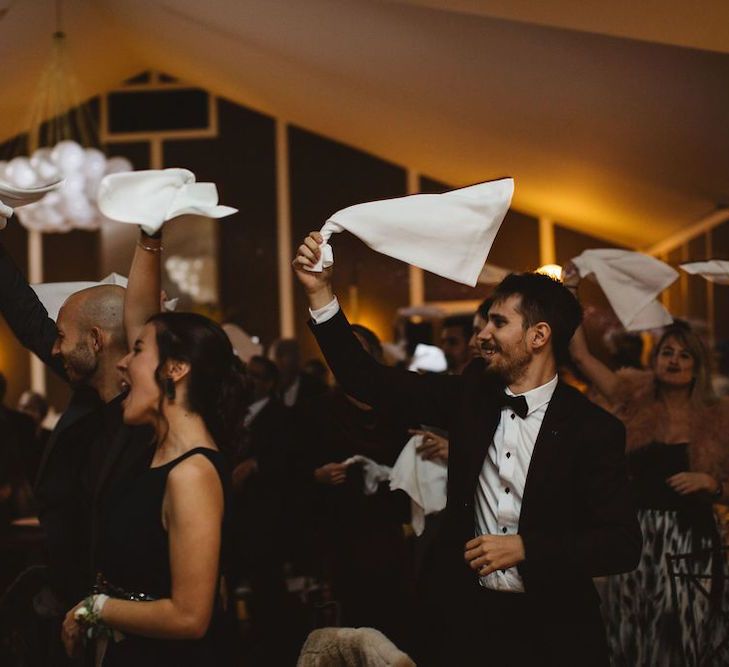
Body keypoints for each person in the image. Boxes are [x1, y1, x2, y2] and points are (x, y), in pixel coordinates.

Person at [293, 231, 641, 665]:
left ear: (538, 336)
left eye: (498, 323)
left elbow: (621, 544)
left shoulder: (594, 429)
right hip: (468, 625)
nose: (482, 336)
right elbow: (370, 381)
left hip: (555, 630)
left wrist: (526, 547)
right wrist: (321, 294)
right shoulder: (470, 395)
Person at [61, 233, 243, 665]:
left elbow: (190, 616)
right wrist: (149, 237)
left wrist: (95, 609)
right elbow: (141, 318)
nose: (123, 361)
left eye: (137, 351)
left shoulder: (192, 474)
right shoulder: (155, 447)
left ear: (175, 370)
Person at [566, 264, 729, 665]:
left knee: (686, 632)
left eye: (684, 355)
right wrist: (570, 290)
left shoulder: (718, 416)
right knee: (631, 631)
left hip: (692, 543)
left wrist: (712, 482)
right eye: (667, 352)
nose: (674, 361)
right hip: (635, 539)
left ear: (698, 365)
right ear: (654, 360)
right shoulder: (630, 397)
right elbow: (580, 355)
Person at [0, 237, 154, 664]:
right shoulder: (89, 389)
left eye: (62, 335)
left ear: (97, 339)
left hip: (134, 626)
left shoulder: (152, 418)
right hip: (75, 605)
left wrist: (151, 239)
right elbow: (31, 322)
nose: (53, 345)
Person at [295, 324, 412, 646]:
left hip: (389, 528)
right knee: (353, 624)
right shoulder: (317, 409)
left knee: (393, 620)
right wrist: (316, 475)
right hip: (341, 528)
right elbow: (291, 471)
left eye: (357, 349)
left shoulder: (396, 408)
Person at [268, 338, 327, 408]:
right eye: (274, 358)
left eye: (281, 355)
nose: (275, 362)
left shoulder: (315, 387)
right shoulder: (268, 387)